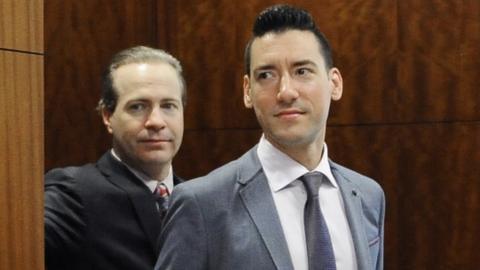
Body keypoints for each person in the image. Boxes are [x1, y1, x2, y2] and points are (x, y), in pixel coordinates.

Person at [155, 4, 385, 270]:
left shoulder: (368, 196)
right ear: (247, 91)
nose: (286, 92)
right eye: (266, 75)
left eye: (302, 71)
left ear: (335, 83)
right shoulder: (202, 204)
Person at [45, 46, 186, 270]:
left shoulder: (199, 200)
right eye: (138, 107)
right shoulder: (72, 195)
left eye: (168, 106)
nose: (156, 121)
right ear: (108, 116)